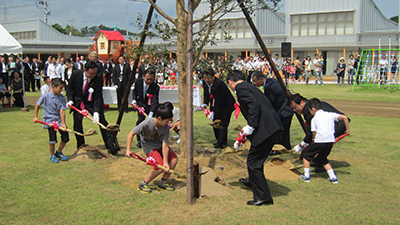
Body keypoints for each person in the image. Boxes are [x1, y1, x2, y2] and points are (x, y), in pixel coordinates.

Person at [226, 70, 283, 206]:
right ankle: (253, 182)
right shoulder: (248, 86)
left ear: (230, 82)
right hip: (270, 126)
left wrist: (250, 126)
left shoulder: (241, 88)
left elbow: (253, 105)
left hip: (266, 128)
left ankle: (263, 197)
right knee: (256, 160)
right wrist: (246, 135)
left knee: (253, 162)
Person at [66, 60, 119, 154]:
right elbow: (70, 88)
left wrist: (96, 112)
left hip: (91, 103)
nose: (93, 75)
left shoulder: (98, 80)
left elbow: (98, 97)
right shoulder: (75, 74)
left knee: (102, 122)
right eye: (91, 73)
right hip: (78, 102)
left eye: (95, 73)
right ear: (84, 70)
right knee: (77, 125)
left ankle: (110, 146)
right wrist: (70, 99)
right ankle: (81, 145)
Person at [289, 93, 350, 173]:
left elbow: (311, 131)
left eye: (295, 107)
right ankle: (319, 161)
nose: (294, 110)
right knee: (319, 143)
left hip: (338, 124)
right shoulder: (309, 106)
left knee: (321, 143)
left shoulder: (308, 110)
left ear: (302, 102)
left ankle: (322, 164)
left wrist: (301, 145)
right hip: (337, 123)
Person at [125, 105, 178, 193]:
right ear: (160, 118)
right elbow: (130, 134)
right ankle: (143, 184)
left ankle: (163, 182)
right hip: (149, 147)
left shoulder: (166, 128)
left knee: (174, 159)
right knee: (160, 167)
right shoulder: (146, 123)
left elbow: (165, 145)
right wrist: (128, 150)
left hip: (160, 145)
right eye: (166, 121)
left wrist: (166, 162)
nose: (168, 123)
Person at [299, 98, 350, 184]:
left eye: (310, 111)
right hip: (330, 141)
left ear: (313, 109)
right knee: (323, 159)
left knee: (307, 157)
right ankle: (333, 178)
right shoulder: (330, 114)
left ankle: (306, 176)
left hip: (320, 141)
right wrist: (347, 130)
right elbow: (345, 117)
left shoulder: (314, 119)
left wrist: (312, 142)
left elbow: (314, 134)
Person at [252, 72, 294, 154]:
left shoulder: (269, 86)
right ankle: (286, 146)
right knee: (284, 128)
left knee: (278, 128)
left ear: (261, 79)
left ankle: (278, 148)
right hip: (288, 108)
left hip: (284, 108)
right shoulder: (271, 81)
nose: (254, 84)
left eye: (255, 81)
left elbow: (268, 102)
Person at [33, 78, 69, 163]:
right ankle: (52, 155)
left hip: (59, 121)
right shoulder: (45, 96)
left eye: (62, 88)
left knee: (65, 137)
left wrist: (63, 124)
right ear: (53, 86)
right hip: (49, 121)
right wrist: (35, 117)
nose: (61, 90)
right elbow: (37, 105)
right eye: (60, 88)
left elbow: (62, 111)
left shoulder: (62, 98)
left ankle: (59, 152)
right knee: (52, 139)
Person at [202, 68, 235, 149]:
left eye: (208, 78)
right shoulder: (205, 83)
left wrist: (213, 111)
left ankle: (221, 143)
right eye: (205, 78)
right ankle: (220, 140)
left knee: (222, 123)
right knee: (215, 122)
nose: (206, 80)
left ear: (213, 76)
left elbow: (219, 100)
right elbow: (206, 94)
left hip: (226, 105)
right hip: (215, 104)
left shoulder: (219, 84)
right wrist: (205, 103)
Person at [131, 68, 160, 148]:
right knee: (140, 122)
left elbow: (155, 101)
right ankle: (139, 141)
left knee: (150, 125)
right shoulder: (138, 82)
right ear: (143, 77)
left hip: (150, 107)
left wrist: (151, 112)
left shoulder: (155, 87)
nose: (149, 81)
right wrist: (134, 99)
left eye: (151, 79)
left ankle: (150, 140)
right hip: (140, 105)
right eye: (147, 79)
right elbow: (135, 92)